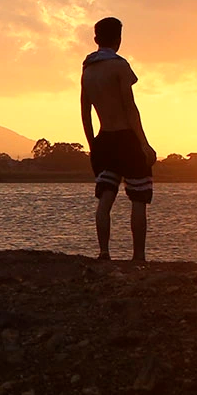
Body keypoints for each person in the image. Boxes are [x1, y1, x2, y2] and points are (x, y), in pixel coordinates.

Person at [80, 16, 154, 262]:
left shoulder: (87, 69)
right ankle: (139, 256)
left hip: (104, 138)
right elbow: (130, 107)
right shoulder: (120, 66)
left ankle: (104, 252)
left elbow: (85, 111)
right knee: (139, 197)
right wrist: (143, 143)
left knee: (106, 196)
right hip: (125, 138)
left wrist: (92, 144)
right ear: (119, 39)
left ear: (96, 39)